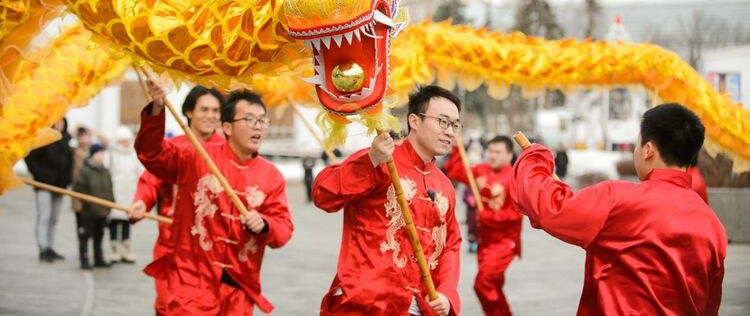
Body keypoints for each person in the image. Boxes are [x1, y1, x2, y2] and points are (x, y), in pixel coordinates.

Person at [511, 103, 727, 314]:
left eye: (637, 144)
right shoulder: (712, 224)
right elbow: (710, 304)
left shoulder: (620, 199)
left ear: (648, 150)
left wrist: (535, 158)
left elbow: (550, 206)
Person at [135, 78, 293, 315]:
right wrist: (157, 107)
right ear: (227, 127)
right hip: (191, 280)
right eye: (249, 120)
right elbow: (151, 155)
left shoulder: (271, 176)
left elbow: (283, 228)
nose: (258, 127)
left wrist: (265, 225)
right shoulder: (195, 156)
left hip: (239, 286)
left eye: (262, 120)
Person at [313, 85, 462, 316]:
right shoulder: (382, 159)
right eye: (443, 122)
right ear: (414, 121)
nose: (450, 132)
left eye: (455, 125)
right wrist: (370, 160)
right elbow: (323, 195)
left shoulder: (444, 185)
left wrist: (446, 292)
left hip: (417, 306)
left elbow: (451, 244)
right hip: (365, 303)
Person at [129, 85, 226, 315]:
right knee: (170, 307)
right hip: (173, 245)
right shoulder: (175, 148)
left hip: (215, 251)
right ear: (189, 112)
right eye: (204, 109)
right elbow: (151, 180)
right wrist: (142, 201)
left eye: (215, 111)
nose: (210, 116)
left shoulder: (229, 150)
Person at [444, 135, 522, 315]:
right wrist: (457, 149)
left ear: (509, 155)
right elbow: (456, 172)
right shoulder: (481, 170)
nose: (493, 155)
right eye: (491, 151)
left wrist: (490, 216)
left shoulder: (515, 178)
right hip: (484, 241)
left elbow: (517, 214)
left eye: (498, 152)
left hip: (504, 243)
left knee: (483, 284)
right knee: (494, 285)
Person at [24, 118, 73, 262]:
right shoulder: (45, 138)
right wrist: (40, 175)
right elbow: (30, 158)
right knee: (44, 217)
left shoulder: (66, 140)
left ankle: (50, 246)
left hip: (60, 187)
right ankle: (43, 247)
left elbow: (69, 163)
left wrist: (67, 180)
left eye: (62, 122)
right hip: (44, 185)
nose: (60, 124)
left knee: (54, 218)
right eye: (58, 122)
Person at [73, 143, 115, 269]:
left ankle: (98, 258)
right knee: (85, 236)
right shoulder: (85, 171)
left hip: (102, 211)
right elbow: (79, 189)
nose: (101, 156)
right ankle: (84, 259)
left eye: (102, 154)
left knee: (99, 236)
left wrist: (110, 204)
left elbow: (109, 189)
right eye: (98, 154)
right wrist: (89, 203)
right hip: (89, 211)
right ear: (92, 155)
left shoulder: (105, 171)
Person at [107, 125, 142, 263]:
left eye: (128, 140)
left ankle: (125, 249)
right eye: (123, 141)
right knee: (115, 221)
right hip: (115, 194)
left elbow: (140, 174)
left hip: (130, 195)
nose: (126, 143)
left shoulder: (133, 156)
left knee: (127, 222)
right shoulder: (111, 155)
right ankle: (115, 249)